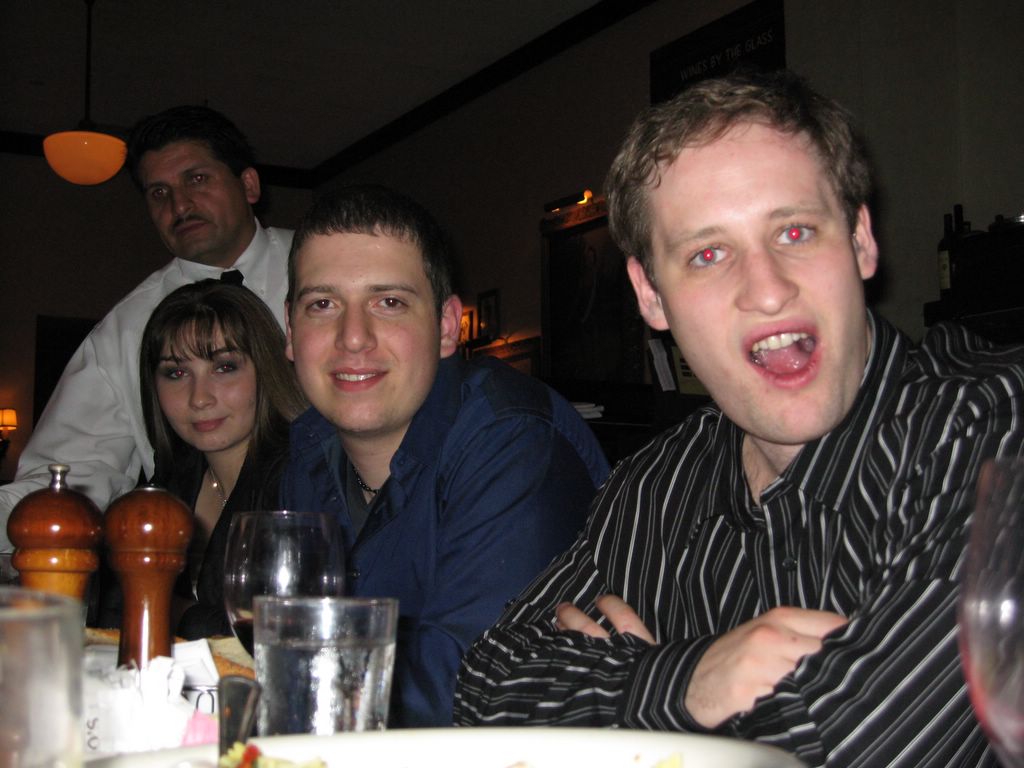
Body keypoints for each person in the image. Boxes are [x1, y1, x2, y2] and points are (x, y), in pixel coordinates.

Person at [454, 69, 1024, 767]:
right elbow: (485, 690)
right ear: (650, 294)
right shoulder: (655, 486)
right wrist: (686, 679)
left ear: (860, 239)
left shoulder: (993, 427)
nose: (767, 289)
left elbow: (846, 745)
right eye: (709, 253)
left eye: (795, 230)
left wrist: (629, 706)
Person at [280, 184, 610, 727]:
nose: (353, 337)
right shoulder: (307, 451)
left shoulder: (512, 441)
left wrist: (259, 685)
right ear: (291, 332)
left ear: (447, 326)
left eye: (389, 302)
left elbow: (470, 687)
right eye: (323, 304)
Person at [0, 106, 292, 549]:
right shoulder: (127, 327)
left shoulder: (330, 267)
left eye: (197, 179)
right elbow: (67, 477)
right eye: (159, 192)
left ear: (248, 185)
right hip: (193, 557)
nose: (179, 205)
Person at [136, 279, 305, 638]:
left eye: (224, 367)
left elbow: (285, 631)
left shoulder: (301, 481)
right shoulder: (167, 484)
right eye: (176, 373)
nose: (199, 397)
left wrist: (177, 613)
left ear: (266, 368)